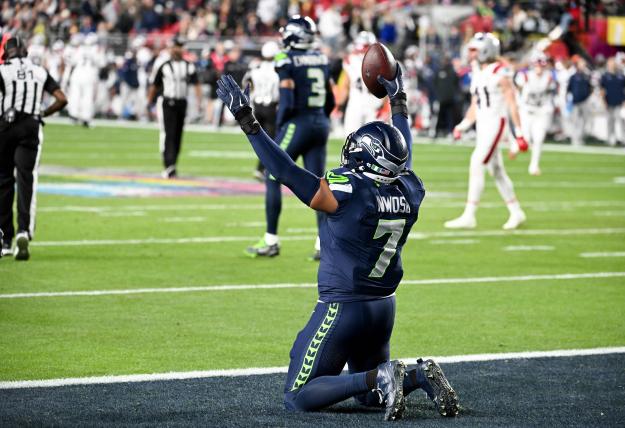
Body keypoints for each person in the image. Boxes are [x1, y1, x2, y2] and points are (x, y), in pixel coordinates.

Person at [215, 64, 459, 420]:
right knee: (369, 395)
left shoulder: (347, 192)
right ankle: (417, 375)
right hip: (383, 308)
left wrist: (246, 118)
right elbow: (402, 152)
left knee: (299, 396)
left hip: (344, 307)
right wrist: (398, 99)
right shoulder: (409, 188)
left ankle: (386, 374)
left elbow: (284, 171)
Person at [245, 16, 335, 259]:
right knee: (320, 185)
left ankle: (271, 240)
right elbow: (331, 99)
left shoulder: (286, 58)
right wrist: (321, 118)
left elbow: (287, 95)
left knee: (272, 175)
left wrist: (284, 122)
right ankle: (322, 244)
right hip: (320, 123)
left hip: (299, 122)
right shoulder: (320, 57)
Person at [447, 32, 528, 230]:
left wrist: (519, 133)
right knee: (497, 171)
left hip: (495, 123)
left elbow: (512, 104)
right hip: (483, 124)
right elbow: (476, 103)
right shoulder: (478, 70)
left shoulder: (500, 72)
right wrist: (464, 125)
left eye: (475, 49)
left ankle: (469, 215)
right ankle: (516, 212)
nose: (471, 53)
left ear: (486, 50)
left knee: (476, 163)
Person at [0, 36, 68, 260]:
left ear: (6, 53)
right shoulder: (39, 71)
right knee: (25, 178)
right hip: (31, 125)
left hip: (6, 126)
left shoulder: (3, 70)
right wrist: (43, 113)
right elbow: (61, 98)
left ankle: (5, 239)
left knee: (3, 181)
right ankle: (24, 230)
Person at [148, 37, 202, 179]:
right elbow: (155, 84)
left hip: (181, 103)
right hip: (167, 102)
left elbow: (196, 84)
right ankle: (168, 165)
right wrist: (149, 102)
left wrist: (199, 101)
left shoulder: (188, 65)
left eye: (180, 46)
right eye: (176, 47)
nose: (178, 49)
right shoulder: (164, 65)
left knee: (178, 135)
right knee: (169, 134)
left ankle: (173, 165)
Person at [242, 40, 280, 181]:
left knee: (261, 139)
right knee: (272, 141)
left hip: (257, 106)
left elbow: (245, 83)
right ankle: (263, 168)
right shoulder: (278, 67)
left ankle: (262, 168)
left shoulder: (255, 66)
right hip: (271, 107)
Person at [514, 52, 557, 175]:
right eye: (537, 65)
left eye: (541, 65)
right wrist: (518, 103)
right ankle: (515, 145)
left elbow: (551, 94)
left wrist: (550, 107)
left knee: (539, 139)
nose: (539, 68)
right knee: (526, 139)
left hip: (542, 111)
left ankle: (534, 166)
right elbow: (517, 90)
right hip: (527, 110)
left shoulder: (549, 77)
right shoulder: (525, 76)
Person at [336, 31, 383, 133]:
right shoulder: (381, 61)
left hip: (360, 102)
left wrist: (338, 104)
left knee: (352, 139)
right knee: (375, 141)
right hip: (370, 102)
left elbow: (344, 84)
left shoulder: (350, 60)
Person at [600, 57, 625, 147]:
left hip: (619, 102)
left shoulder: (621, 75)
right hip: (609, 102)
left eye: (613, 63)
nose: (612, 65)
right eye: (610, 63)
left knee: (620, 121)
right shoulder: (605, 76)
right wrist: (603, 101)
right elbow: (602, 90)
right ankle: (611, 138)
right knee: (610, 121)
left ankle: (623, 139)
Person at [566, 57, 592, 146]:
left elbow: (590, 88)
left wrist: (587, 97)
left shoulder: (587, 76)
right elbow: (568, 89)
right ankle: (574, 139)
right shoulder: (573, 77)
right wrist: (569, 100)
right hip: (575, 102)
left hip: (584, 101)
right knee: (575, 121)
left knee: (585, 121)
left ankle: (581, 137)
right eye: (581, 64)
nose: (583, 66)